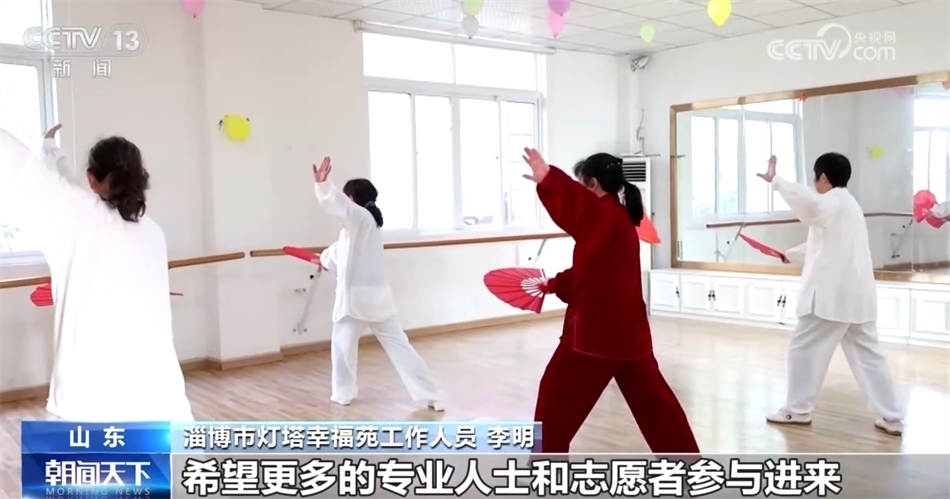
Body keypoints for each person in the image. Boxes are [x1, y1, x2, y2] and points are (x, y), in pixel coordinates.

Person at [0, 125, 193, 421]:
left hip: (88, 404)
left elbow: (22, 169)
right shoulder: (153, 233)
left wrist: (50, 150)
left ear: (91, 179)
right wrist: (51, 150)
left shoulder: (75, 216)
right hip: (162, 400)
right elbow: (65, 190)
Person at [521, 149, 700, 454]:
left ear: (591, 183)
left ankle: (545, 470)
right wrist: (553, 284)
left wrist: (548, 179)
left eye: (582, 184)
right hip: (631, 337)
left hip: (596, 337)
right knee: (657, 409)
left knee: (554, 402)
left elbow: (576, 204)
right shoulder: (620, 220)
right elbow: (592, 272)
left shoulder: (602, 214)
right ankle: (690, 467)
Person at [757, 153, 904, 436]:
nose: (814, 184)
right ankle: (892, 416)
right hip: (857, 297)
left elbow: (809, 203)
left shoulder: (832, 202)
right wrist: (790, 254)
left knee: (804, 349)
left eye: (815, 178)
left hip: (831, 298)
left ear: (823, 177)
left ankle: (797, 409)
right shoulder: (848, 205)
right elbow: (825, 245)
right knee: (869, 356)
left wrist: (776, 181)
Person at [311, 157, 443, 410]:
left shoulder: (360, 218)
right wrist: (323, 259)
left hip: (355, 302)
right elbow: (337, 253)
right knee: (397, 347)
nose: (345, 201)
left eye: (347, 197)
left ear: (352, 199)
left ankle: (343, 393)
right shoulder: (359, 227)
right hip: (375, 300)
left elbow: (336, 204)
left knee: (343, 348)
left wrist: (323, 185)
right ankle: (431, 395)